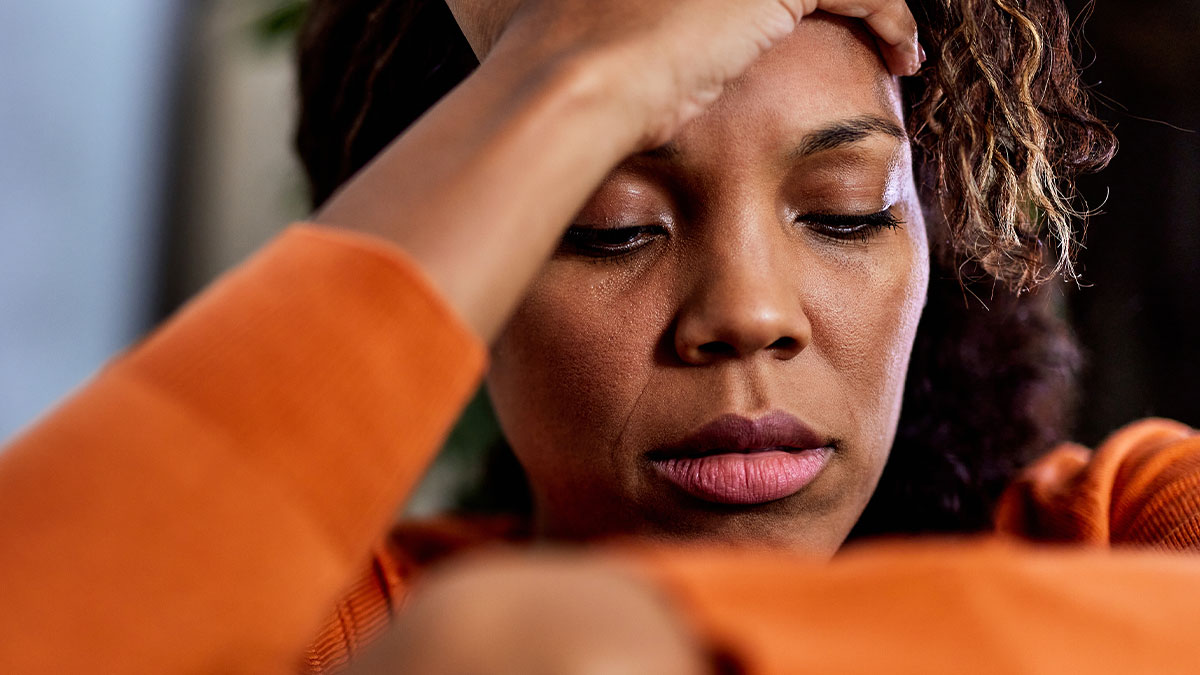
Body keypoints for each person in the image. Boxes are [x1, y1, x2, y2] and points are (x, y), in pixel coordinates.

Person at [0, 0, 1197, 673]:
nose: (751, 313)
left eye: (844, 215)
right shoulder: (346, 630)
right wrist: (563, 80)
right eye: (607, 227)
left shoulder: (1119, 534)